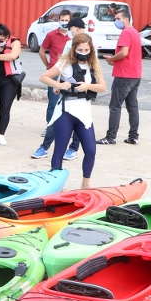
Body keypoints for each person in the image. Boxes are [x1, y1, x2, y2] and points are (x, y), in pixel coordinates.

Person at [40, 32, 106, 189]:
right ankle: (57, 185)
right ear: (74, 49)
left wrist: (88, 86)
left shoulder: (93, 64)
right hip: (66, 111)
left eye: (86, 50)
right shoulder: (65, 62)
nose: (84, 53)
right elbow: (44, 77)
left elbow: (102, 86)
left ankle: (86, 183)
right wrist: (60, 85)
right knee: (60, 149)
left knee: (90, 150)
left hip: (84, 112)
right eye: (80, 50)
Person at [34, 15, 81, 160]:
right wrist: (58, 83)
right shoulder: (69, 43)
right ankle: (44, 147)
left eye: (71, 28)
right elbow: (63, 64)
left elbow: (94, 69)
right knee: (55, 116)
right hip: (65, 86)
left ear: (77, 28)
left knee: (78, 120)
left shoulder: (89, 44)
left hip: (81, 89)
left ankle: (73, 149)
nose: (70, 31)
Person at [98, 7, 143, 145]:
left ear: (126, 19)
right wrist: (115, 60)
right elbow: (128, 55)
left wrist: (112, 59)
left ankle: (110, 137)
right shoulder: (135, 32)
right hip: (135, 75)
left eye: (118, 19)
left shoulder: (126, 32)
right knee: (132, 106)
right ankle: (133, 136)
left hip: (124, 75)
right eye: (115, 19)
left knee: (115, 106)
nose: (116, 21)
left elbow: (124, 53)